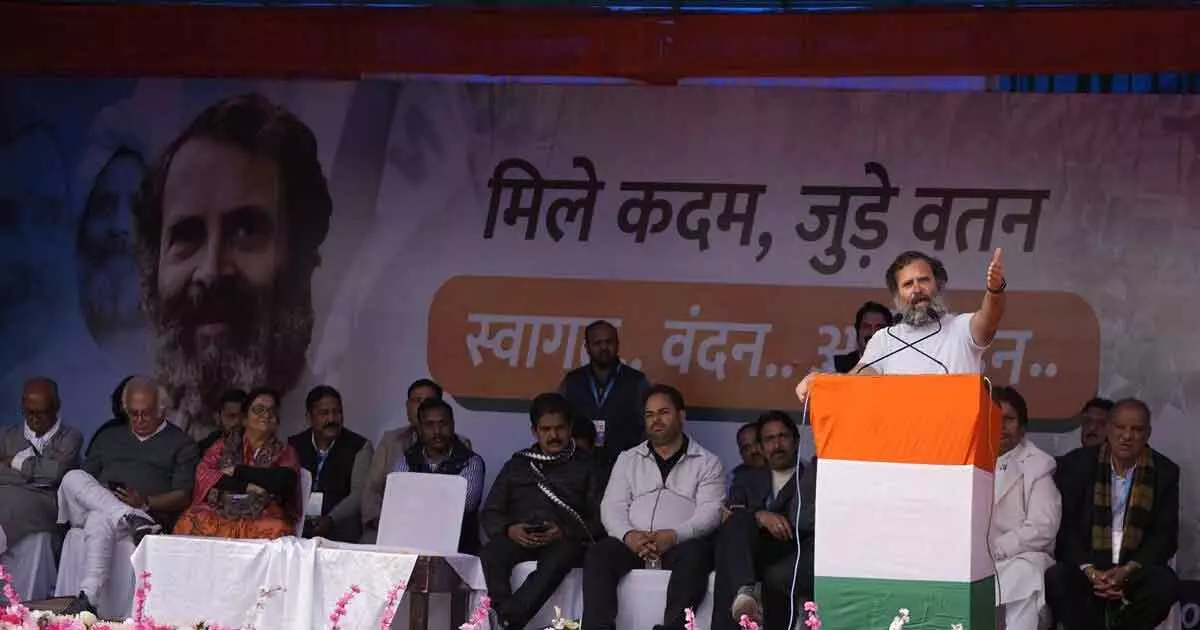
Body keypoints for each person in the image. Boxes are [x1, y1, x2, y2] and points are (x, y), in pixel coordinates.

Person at [132, 93, 332, 434]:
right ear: (154, 271)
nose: (210, 270)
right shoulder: (137, 445)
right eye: (187, 236)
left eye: (246, 231)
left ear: (299, 258)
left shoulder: (342, 441)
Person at [582, 384, 724, 630]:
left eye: (663, 412)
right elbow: (612, 507)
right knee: (599, 554)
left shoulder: (708, 462)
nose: (656, 420)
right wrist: (629, 536)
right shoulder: (628, 459)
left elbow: (711, 512)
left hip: (679, 546)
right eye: (650, 415)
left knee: (696, 554)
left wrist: (674, 535)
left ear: (681, 415)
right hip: (633, 545)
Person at [59, 376, 198, 616]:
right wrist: (102, 490)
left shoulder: (181, 443)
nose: (139, 420)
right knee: (72, 477)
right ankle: (127, 515)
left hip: (144, 516)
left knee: (100, 518)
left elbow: (183, 495)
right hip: (111, 511)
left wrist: (145, 502)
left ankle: (88, 597)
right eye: (133, 413)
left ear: (161, 410)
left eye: (146, 413)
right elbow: (85, 480)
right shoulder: (108, 437)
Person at [795, 248, 1007, 402]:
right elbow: (857, 379)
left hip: (958, 447)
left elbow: (990, 317)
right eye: (908, 284)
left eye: (924, 280)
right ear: (897, 295)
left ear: (938, 284)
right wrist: (822, 382)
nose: (917, 289)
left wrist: (994, 290)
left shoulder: (962, 327)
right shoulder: (884, 339)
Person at [1045, 398, 1180, 630]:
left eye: (1136, 429)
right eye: (1120, 427)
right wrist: (1090, 571)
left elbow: (1165, 536)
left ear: (1147, 434)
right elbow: (1066, 528)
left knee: (1165, 585)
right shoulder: (1076, 465)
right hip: (1089, 565)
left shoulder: (1165, 471)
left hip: (1134, 568)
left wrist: (1127, 571)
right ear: (1108, 428)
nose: (1127, 436)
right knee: (1057, 578)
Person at [480, 393, 603, 629]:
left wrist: (564, 531)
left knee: (564, 553)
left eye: (559, 428)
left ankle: (510, 618)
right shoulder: (517, 465)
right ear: (535, 431)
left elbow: (599, 520)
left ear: (570, 428)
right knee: (491, 553)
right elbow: (491, 512)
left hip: (563, 540)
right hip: (520, 538)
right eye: (546, 429)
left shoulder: (587, 466)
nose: (553, 435)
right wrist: (509, 529)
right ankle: (503, 614)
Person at [715, 411, 809, 630]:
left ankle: (743, 595)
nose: (777, 445)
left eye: (783, 437)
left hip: (788, 553)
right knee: (736, 524)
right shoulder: (746, 478)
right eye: (769, 439)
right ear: (761, 446)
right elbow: (733, 512)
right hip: (750, 553)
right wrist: (760, 516)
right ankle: (744, 593)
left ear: (796, 441)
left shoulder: (809, 477)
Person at [174, 388, 300, 539]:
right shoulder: (223, 446)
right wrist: (247, 487)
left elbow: (285, 480)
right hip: (221, 509)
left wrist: (238, 471)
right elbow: (205, 474)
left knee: (277, 528)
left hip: (264, 513)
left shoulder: (284, 451)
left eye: (271, 411)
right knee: (190, 521)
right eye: (259, 409)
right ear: (244, 418)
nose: (266, 415)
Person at [362, 378, 470, 543]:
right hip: (389, 523)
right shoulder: (390, 440)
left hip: (438, 529)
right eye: (417, 401)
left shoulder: (460, 444)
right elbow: (372, 489)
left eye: (429, 401)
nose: (422, 406)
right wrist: (379, 521)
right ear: (407, 407)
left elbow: (461, 503)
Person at [989, 386, 1060, 630]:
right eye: (995, 418)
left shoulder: (1038, 464)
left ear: (1022, 426)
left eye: (1008, 419)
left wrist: (997, 549)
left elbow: (1043, 526)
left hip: (1019, 555)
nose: (1001, 426)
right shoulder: (966, 458)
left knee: (1024, 574)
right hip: (976, 559)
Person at [390, 399, 485, 554]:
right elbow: (397, 503)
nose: (437, 431)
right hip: (412, 541)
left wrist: (417, 498)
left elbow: (464, 507)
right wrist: (442, 497)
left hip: (457, 546)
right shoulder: (407, 459)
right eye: (429, 425)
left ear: (453, 425)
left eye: (443, 424)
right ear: (419, 429)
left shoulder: (471, 462)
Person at [0, 379, 83, 555]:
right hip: (8, 503)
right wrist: (37, 475)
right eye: (29, 412)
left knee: (14, 504)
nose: (34, 419)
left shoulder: (70, 437)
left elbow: (55, 473)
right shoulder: (5, 436)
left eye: (42, 412)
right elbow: (48, 473)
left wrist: (15, 461)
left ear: (56, 406)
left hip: (45, 509)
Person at [289, 385, 372, 542]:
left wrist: (331, 519)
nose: (332, 419)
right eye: (324, 413)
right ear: (309, 417)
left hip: (340, 530)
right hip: (299, 527)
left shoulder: (360, 446)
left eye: (337, 412)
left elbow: (359, 494)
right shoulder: (293, 445)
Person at [559, 320, 651, 456]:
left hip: (626, 461)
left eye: (609, 342)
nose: (604, 347)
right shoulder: (572, 381)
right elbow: (559, 422)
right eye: (597, 343)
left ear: (617, 344)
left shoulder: (637, 381)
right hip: (579, 461)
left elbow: (648, 427)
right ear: (587, 347)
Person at [833, 301, 893, 374]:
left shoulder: (899, 364)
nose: (873, 333)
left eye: (879, 327)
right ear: (857, 330)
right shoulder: (838, 367)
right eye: (866, 327)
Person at [196, 389, 249, 455]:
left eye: (242, 416)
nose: (237, 421)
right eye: (231, 416)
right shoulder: (207, 445)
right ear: (220, 416)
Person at [726, 422, 765, 490]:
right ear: (741, 453)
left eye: (757, 443)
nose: (753, 451)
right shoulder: (732, 480)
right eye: (746, 448)